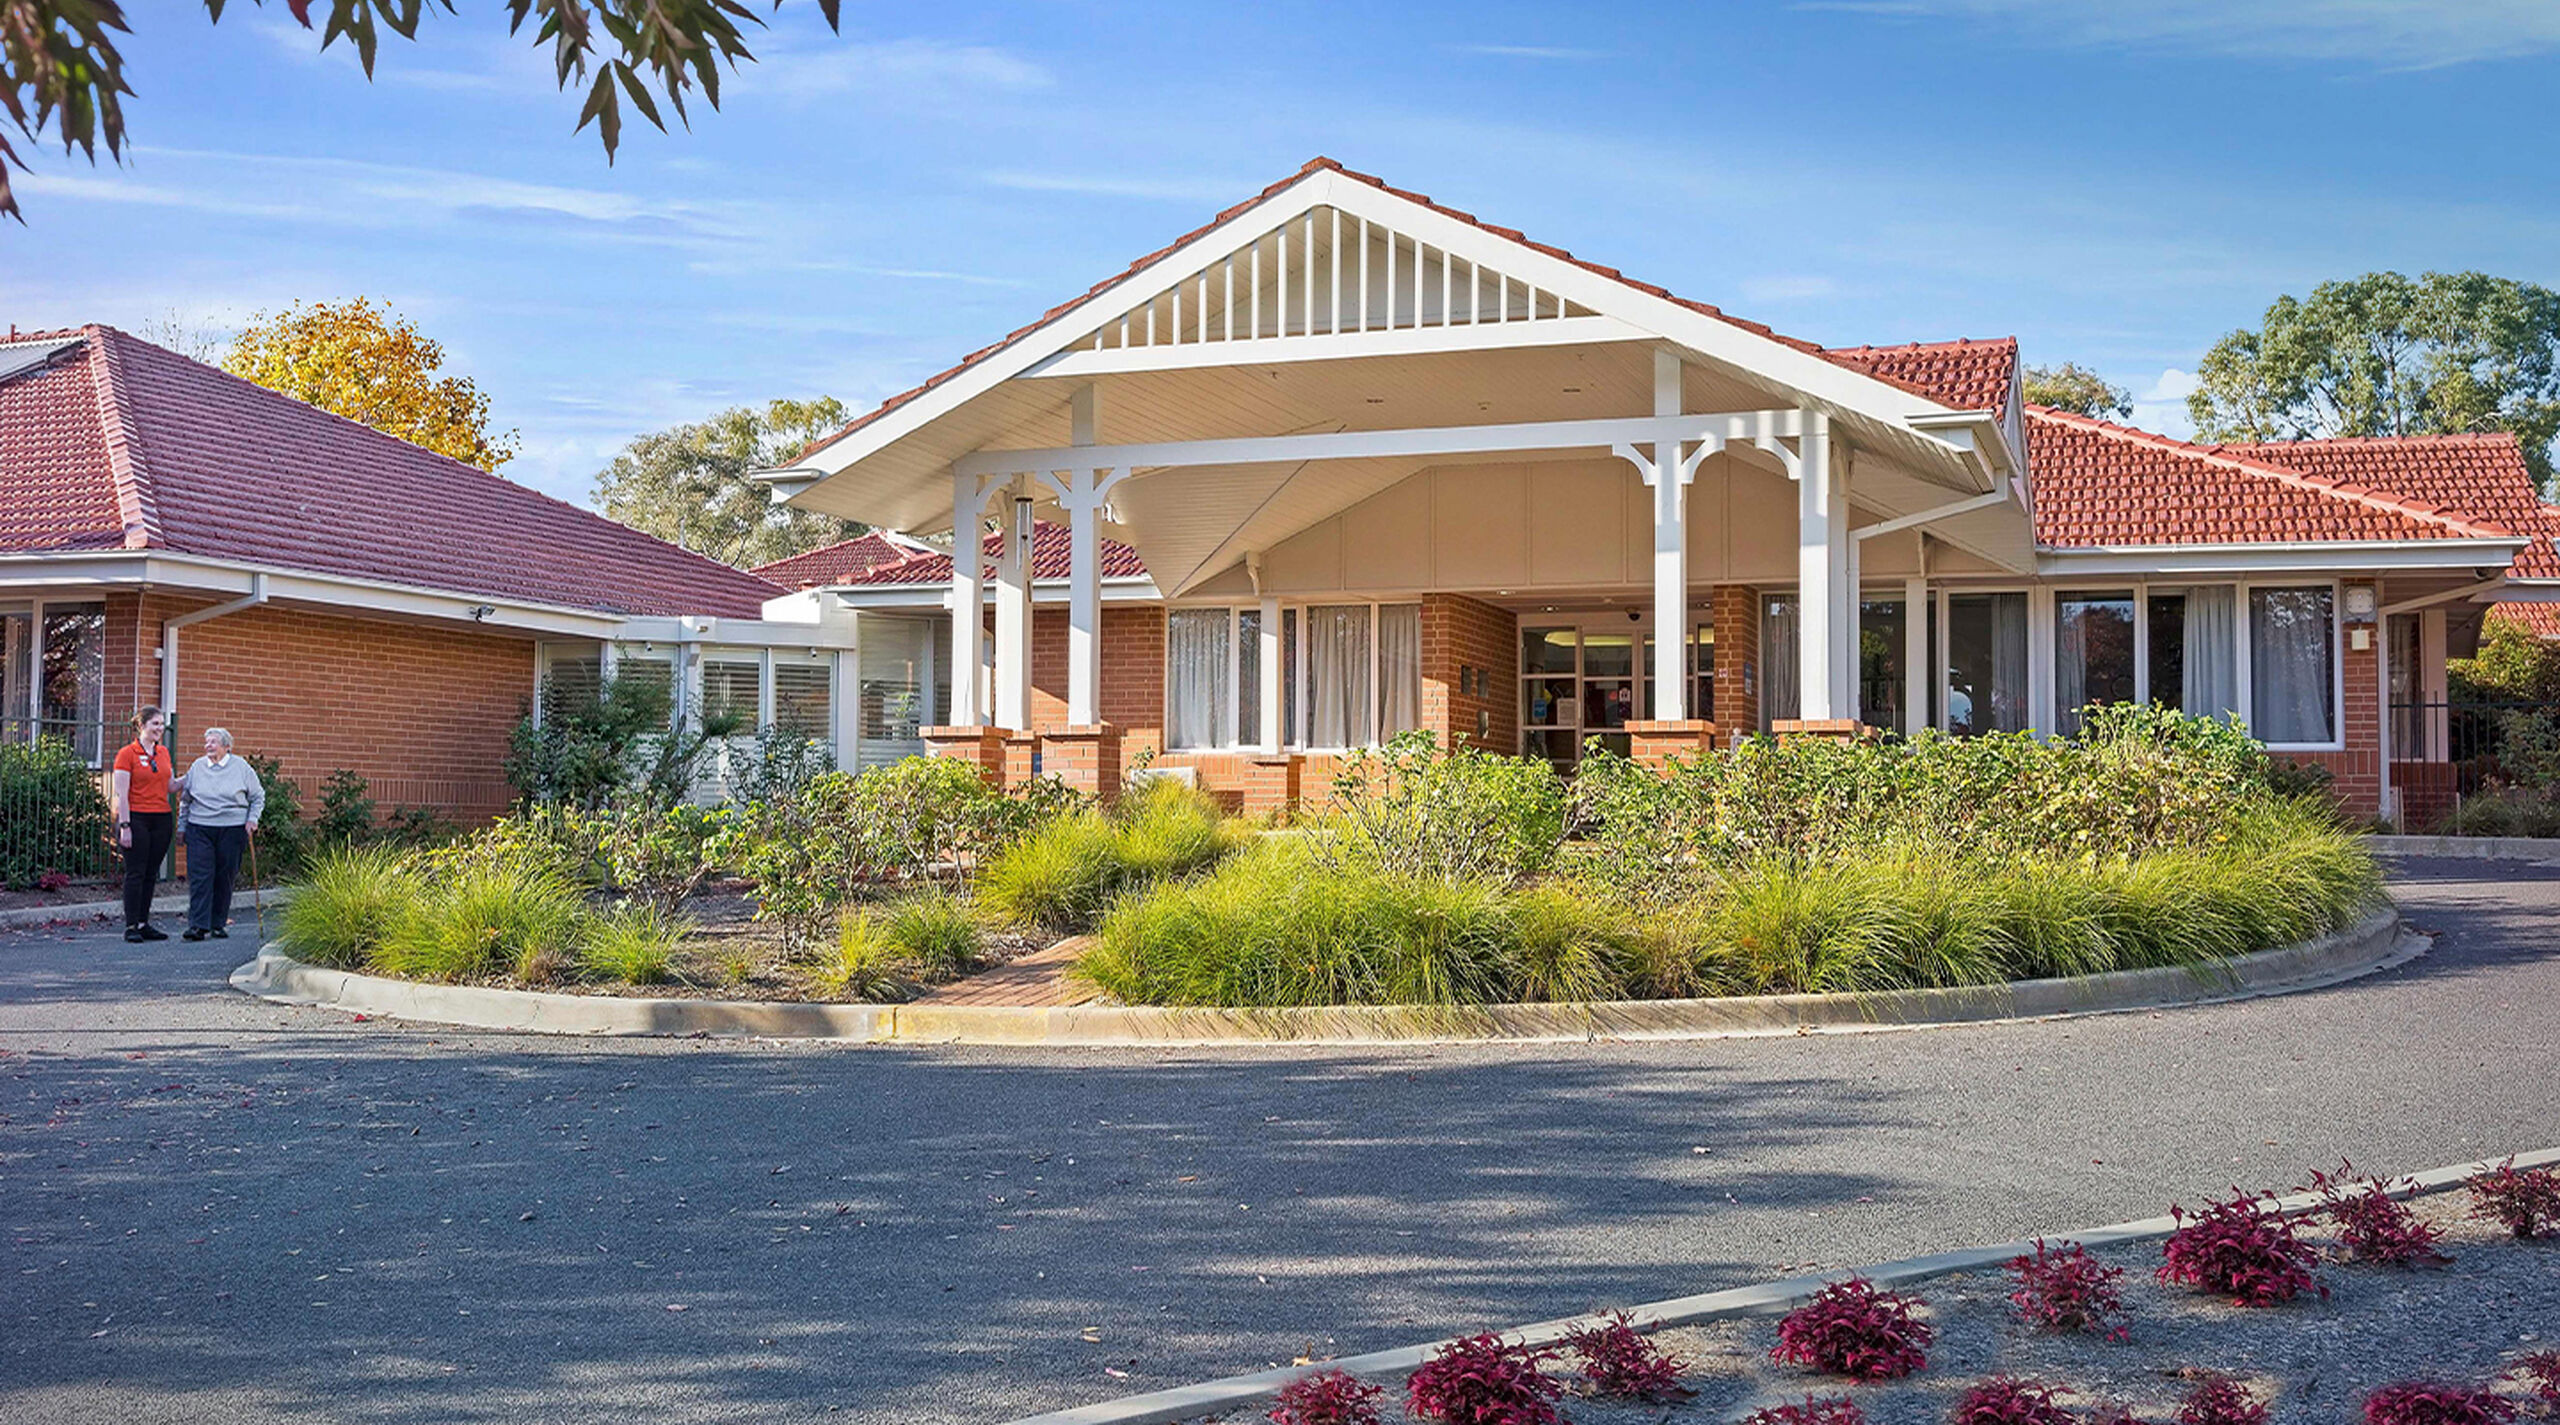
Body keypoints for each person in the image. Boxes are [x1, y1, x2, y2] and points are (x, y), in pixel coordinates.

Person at [178, 727, 265, 942]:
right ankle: (198, 926)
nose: (208, 745)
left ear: (227, 746)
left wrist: (252, 819)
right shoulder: (197, 767)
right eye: (206, 742)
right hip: (200, 827)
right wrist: (182, 827)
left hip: (232, 828)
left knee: (224, 876)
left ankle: (218, 923)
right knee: (200, 876)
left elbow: (257, 796)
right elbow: (186, 800)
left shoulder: (241, 767)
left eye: (213, 742)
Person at [111, 707, 180, 943]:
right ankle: (131, 926)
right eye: (155, 724)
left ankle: (144, 923)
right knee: (136, 872)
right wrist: (125, 826)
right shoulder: (126, 754)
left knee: (151, 873)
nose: (160, 729)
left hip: (161, 818)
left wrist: (196, 775)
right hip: (136, 818)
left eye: (162, 724)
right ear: (142, 726)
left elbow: (170, 786)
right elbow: (122, 794)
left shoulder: (163, 753)